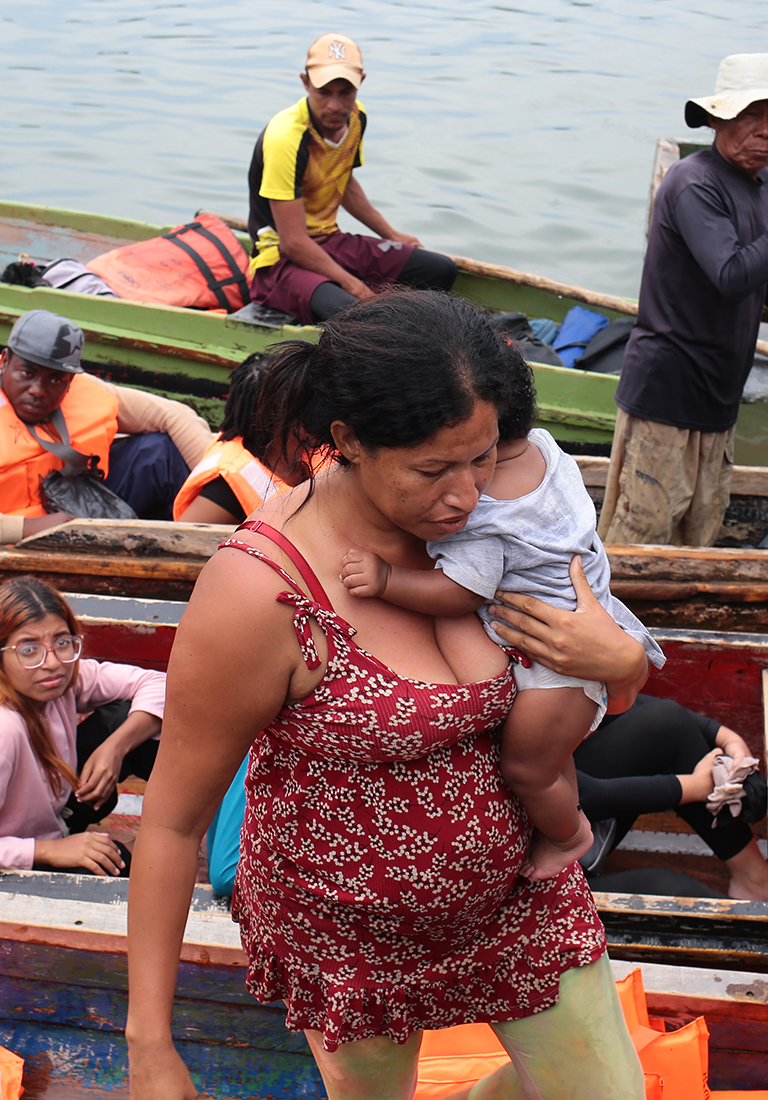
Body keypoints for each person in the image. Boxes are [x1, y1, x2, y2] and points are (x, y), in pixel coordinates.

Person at [127, 290, 649, 1100]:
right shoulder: (259, 589)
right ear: (349, 442)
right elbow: (171, 820)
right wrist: (150, 1045)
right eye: (435, 469)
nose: (467, 491)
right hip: (345, 936)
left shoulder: (495, 526)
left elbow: (595, 700)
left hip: (518, 898)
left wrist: (622, 663)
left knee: (607, 1092)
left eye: (482, 457)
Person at [341, 341, 664, 882]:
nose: (463, 488)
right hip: (598, 620)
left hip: (555, 666)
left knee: (525, 768)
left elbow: (460, 593)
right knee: (554, 759)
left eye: (476, 460)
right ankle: (563, 817)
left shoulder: (487, 515)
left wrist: (388, 579)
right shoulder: (543, 447)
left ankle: (569, 836)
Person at [598, 53, 768, 547]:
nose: (764, 131)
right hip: (669, 393)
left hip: (720, 394)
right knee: (641, 534)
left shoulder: (759, 188)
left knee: (701, 533)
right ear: (717, 118)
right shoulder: (695, 182)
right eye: (750, 116)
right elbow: (733, 275)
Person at [247, 33, 457, 324]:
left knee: (440, 270)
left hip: (331, 241)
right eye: (323, 92)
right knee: (356, 313)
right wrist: (356, 287)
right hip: (280, 260)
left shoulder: (357, 119)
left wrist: (391, 235)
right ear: (305, 82)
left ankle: (394, 319)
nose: (334, 105)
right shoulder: (287, 138)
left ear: (361, 84)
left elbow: (343, 183)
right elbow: (293, 243)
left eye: (345, 92)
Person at [0, 309, 213, 542]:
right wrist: (30, 527)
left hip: (83, 499)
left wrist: (218, 485)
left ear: (70, 381)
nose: (37, 390)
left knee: (159, 452)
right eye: (27, 373)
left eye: (55, 380)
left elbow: (173, 415)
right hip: (17, 532)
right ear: (4, 361)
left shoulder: (83, 388)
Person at [0, 575, 165, 875]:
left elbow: (157, 683)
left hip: (58, 811)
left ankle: (183, 829)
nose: (51, 662)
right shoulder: (5, 729)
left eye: (62, 642)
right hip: (18, 858)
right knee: (125, 875)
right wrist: (48, 850)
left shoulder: (63, 679)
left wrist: (114, 749)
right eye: (28, 649)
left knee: (126, 718)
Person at [575, 694, 768, 901]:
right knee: (674, 893)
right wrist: (694, 786)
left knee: (667, 721)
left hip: (569, 827)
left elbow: (615, 701)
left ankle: (754, 877)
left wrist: (728, 738)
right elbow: (582, 797)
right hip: (544, 872)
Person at [173, 353, 314, 525]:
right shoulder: (227, 490)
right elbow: (183, 539)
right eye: (310, 404)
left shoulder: (310, 449)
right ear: (278, 421)